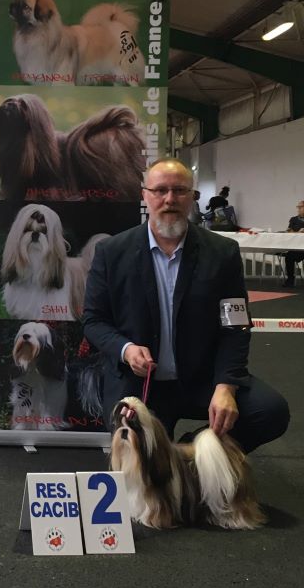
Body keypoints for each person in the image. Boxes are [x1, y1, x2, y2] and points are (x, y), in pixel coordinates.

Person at [83, 158, 289, 454]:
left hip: (202, 379)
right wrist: (126, 349)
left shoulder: (222, 252)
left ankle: (190, 454)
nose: (169, 199)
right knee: (141, 464)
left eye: (179, 191)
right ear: (145, 195)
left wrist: (226, 387)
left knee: (270, 411)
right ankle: (176, 461)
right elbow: (93, 321)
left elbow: (236, 326)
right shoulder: (111, 252)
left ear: (193, 197)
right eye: (160, 190)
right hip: (139, 384)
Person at [282, 199, 304, 288]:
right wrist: (297, 233)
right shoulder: (293, 219)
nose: (298, 209)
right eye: (298, 207)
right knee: (289, 256)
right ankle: (290, 279)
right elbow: (288, 230)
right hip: (296, 247)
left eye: (300, 207)